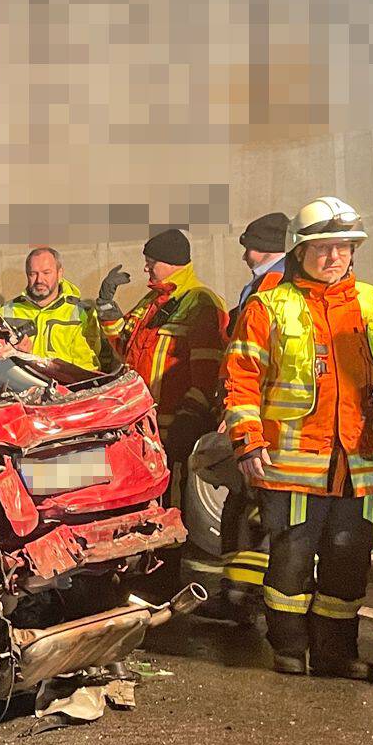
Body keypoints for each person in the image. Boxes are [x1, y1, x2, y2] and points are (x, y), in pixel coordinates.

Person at [220, 198, 373, 678]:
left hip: (360, 464)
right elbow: (241, 378)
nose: (333, 257)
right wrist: (247, 440)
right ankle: (288, 646)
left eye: (343, 247)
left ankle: (336, 653)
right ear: (299, 251)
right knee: (291, 559)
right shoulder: (269, 306)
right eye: (322, 248)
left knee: (349, 561)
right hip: (293, 464)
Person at [101, 227, 228, 594]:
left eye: (151, 262)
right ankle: (148, 569)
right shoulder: (152, 302)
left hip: (173, 427)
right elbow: (125, 345)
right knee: (146, 502)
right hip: (142, 429)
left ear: (170, 262)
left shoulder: (201, 302)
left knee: (171, 503)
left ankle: (168, 578)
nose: (147, 269)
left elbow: (208, 368)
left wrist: (191, 416)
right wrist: (106, 306)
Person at [199, 213, 291, 624]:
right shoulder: (268, 282)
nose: (243, 255)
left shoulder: (272, 285)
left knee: (250, 509)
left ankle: (242, 597)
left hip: (263, 417)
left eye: (248, 246)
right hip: (259, 414)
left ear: (264, 247)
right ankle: (243, 594)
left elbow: (251, 357)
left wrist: (237, 412)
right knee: (248, 507)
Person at [0, 246, 112, 371]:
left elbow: (85, 369)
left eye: (46, 273)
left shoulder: (83, 313)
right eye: (33, 274)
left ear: (60, 273)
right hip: (18, 382)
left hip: (66, 383)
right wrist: (19, 355)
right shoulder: (5, 312)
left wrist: (31, 358)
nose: (39, 280)